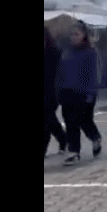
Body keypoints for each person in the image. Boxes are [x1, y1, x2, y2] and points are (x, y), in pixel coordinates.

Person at [57, 20, 103, 166]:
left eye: (76, 34)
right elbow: (61, 72)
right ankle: (74, 151)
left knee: (84, 121)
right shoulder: (67, 52)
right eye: (71, 34)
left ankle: (95, 137)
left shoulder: (91, 52)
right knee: (70, 122)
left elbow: (94, 74)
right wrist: (58, 88)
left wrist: (90, 93)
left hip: (84, 93)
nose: (73, 37)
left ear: (84, 35)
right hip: (67, 91)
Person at [44, 27, 68, 157]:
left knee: (46, 119)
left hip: (53, 92)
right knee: (49, 120)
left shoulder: (55, 54)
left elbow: (61, 74)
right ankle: (63, 139)